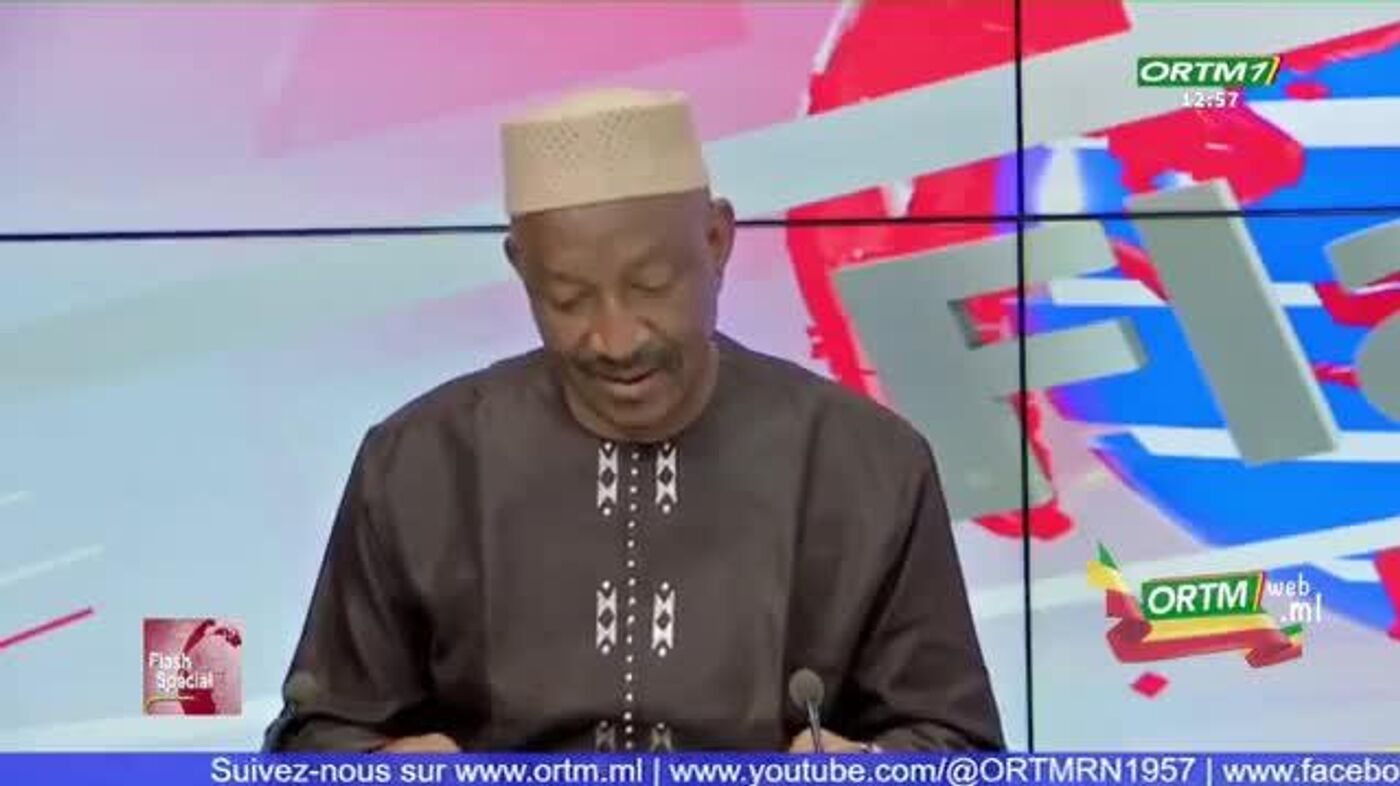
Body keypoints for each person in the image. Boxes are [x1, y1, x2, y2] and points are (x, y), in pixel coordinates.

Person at [264, 87, 1004, 753]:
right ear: (521, 268)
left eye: (651, 286)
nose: (615, 340)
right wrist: (380, 765)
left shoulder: (866, 461)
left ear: (716, 242)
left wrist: (869, 767)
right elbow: (312, 735)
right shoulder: (419, 462)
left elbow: (959, 747)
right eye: (568, 299)